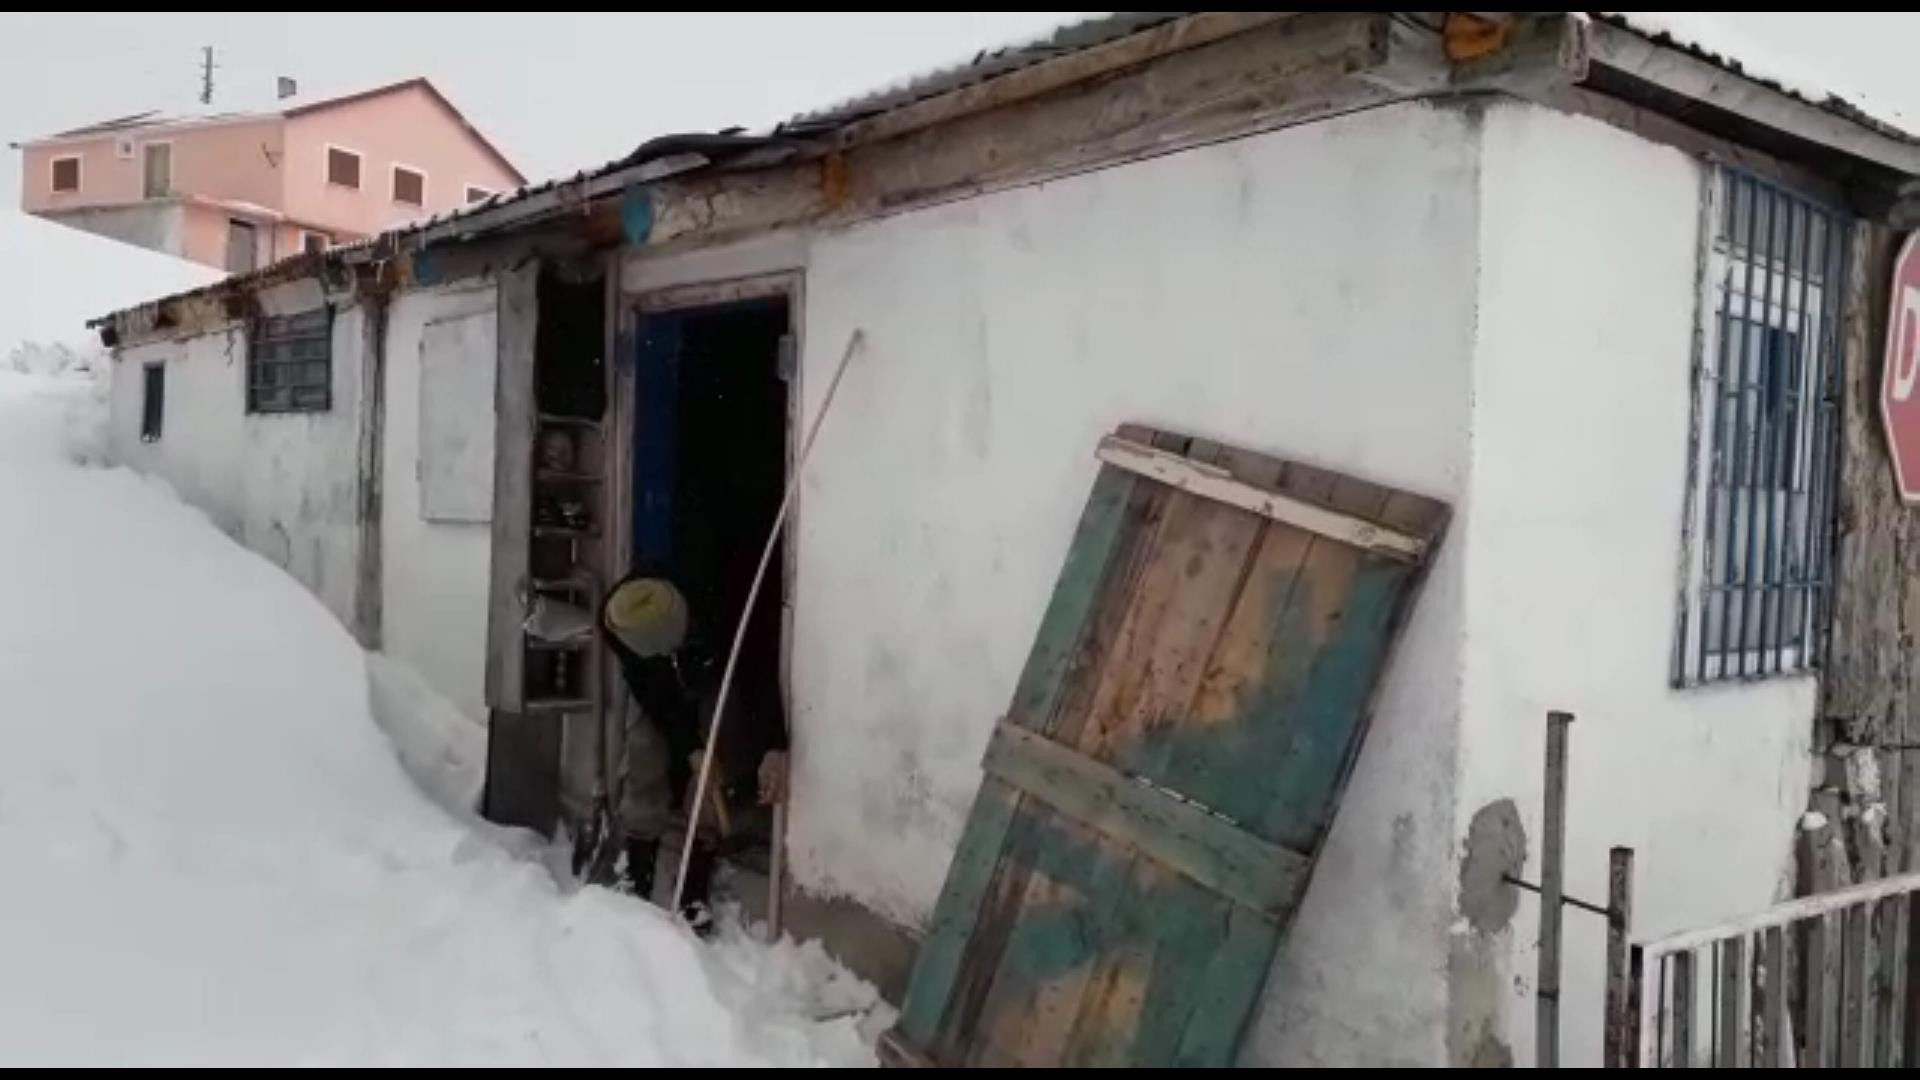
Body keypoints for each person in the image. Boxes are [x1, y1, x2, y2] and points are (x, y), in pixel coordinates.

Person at [600, 574, 788, 935]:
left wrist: (772, 745)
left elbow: (758, 675)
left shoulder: (723, 608)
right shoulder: (621, 622)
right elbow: (653, 694)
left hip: (715, 673)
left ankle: (695, 870)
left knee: (718, 754)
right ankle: (638, 863)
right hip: (663, 689)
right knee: (642, 744)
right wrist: (689, 747)